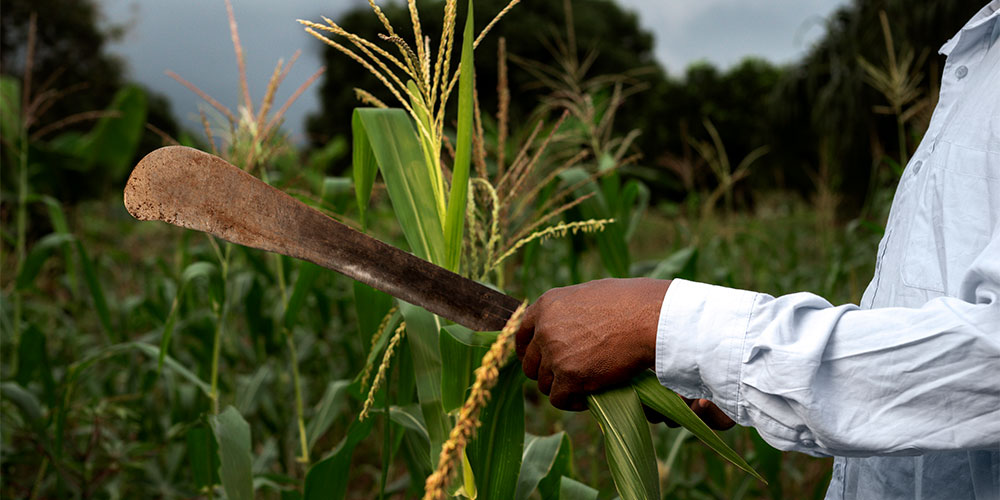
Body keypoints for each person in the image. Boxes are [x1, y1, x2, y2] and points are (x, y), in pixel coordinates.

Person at [514, 2, 1000, 498]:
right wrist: (736, 375)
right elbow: (933, 331)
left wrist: (664, 324)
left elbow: (989, 361)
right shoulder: (980, 55)